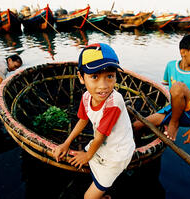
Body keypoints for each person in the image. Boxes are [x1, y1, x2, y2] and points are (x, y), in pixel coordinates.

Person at [53, 43, 135, 199]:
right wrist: (66, 143)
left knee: (88, 198)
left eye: (110, 76)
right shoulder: (86, 97)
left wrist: (87, 156)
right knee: (86, 157)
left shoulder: (114, 102)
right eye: (94, 77)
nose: (103, 86)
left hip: (117, 153)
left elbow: (100, 137)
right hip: (102, 144)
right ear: (81, 77)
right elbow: (83, 120)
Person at [133, 32, 190, 144]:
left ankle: (174, 123)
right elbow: (172, 93)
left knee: (178, 86)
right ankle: (137, 144)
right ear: (183, 52)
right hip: (173, 109)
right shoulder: (171, 66)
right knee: (137, 125)